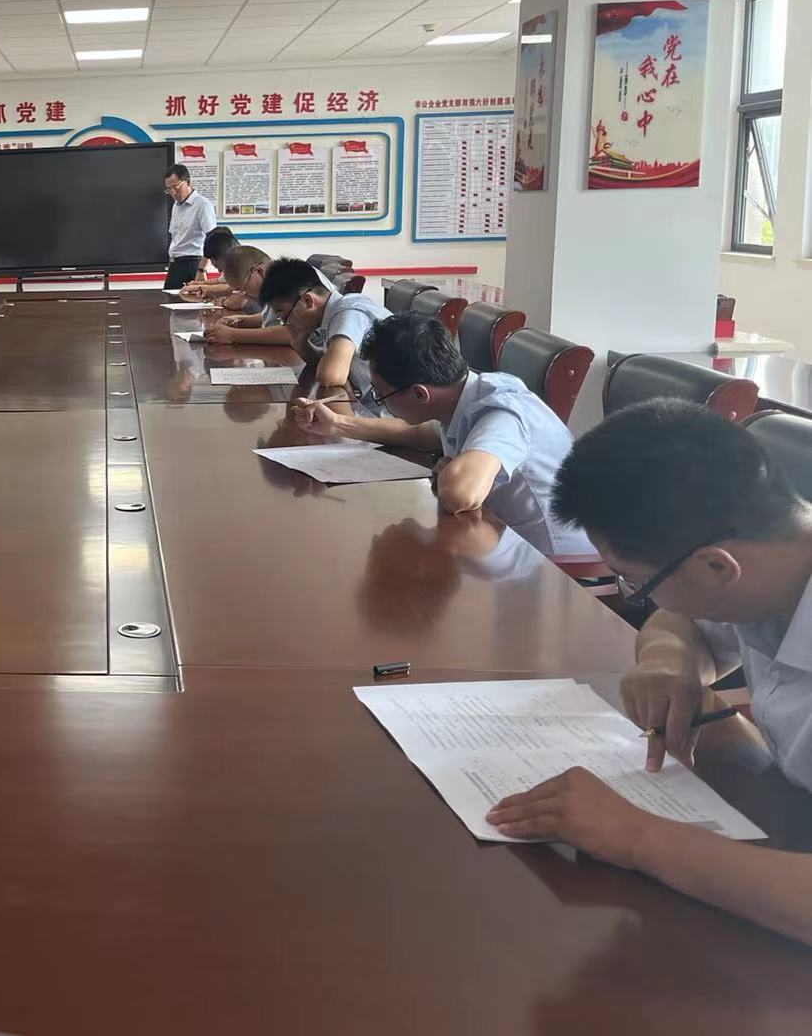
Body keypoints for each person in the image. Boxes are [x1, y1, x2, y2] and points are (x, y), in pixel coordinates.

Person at [484, 400, 812, 947]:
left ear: (715, 566)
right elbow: (679, 621)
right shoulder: (769, 563)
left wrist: (637, 836)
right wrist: (668, 660)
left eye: (636, 583)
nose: (641, 597)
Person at [291, 314, 593, 557]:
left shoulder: (502, 414)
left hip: (552, 562)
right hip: (504, 538)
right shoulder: (466, 393)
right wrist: (337, 424)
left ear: (420, 394)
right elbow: (420, 434)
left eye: (381, 395)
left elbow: (460, 494)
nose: (381, 404)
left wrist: (450, 471)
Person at [258, 256, 390, 404]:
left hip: (385, 412)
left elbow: (330, 376)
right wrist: (301, 344)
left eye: (284, 316)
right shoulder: (332, 315)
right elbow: (323, 362)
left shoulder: (349, 312)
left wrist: (337, 375)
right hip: (369, 404)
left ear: (308, 301)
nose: (286, 323)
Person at [203, 248, 339, 346]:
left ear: (258, 271)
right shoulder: (275, 282)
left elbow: (292, 332)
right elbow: (274, 318)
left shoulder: (288, 277)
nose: (243, 294)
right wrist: (239, 320)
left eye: (243, 289)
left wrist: (232, 335)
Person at [163, 164, 216, 290]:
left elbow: (213, 239)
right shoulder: (176, 206)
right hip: (175, 264)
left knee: (191, 302)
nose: (173, 193)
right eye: (169, 189)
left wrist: (202, 270)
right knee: (167, 299)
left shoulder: (202, 205)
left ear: (188, 182)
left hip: (193, 264)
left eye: (176, 187)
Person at [178, 228, 239, 300]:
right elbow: (220, 282)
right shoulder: (231, 262)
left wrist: (201, 287)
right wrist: (196, 284)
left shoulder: (244, 261)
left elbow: (236, 288)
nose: (219, 271)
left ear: (223, 255)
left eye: (218, 266)